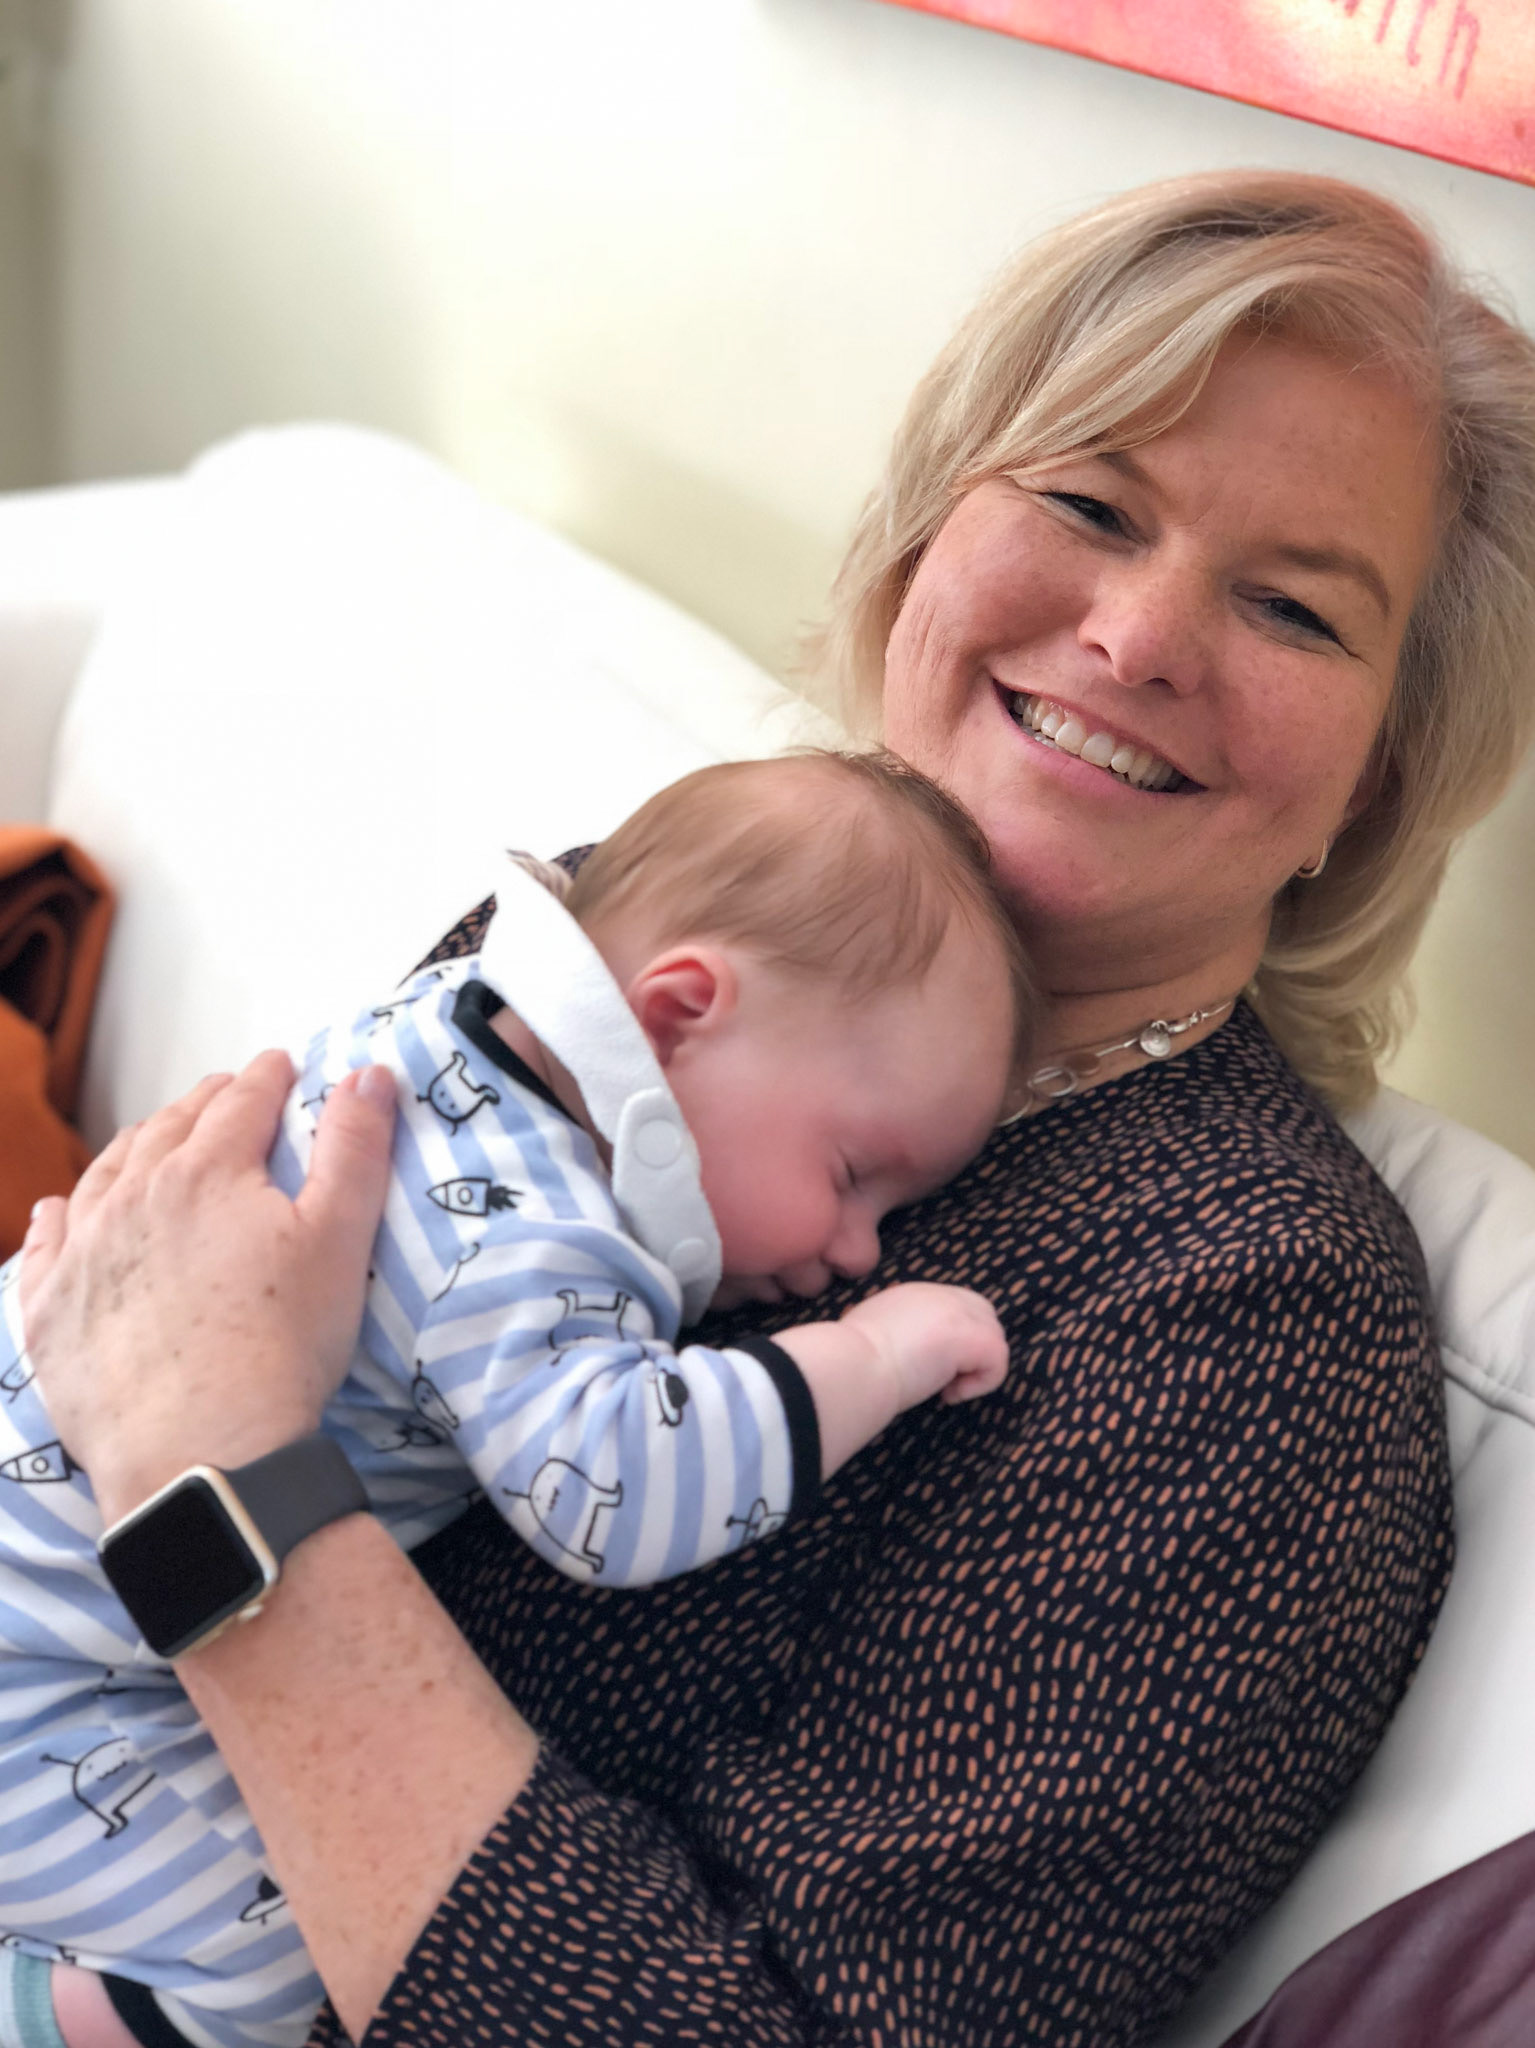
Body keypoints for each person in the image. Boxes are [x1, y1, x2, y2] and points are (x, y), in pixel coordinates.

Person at [16, 169, 1535, 2048]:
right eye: (1086, 503)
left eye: (1295, 609)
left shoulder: (1245, 1326)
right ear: (922, 548)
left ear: (1376, 783)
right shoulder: (650, 918)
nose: (1140, 636)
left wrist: (213, 1476)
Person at [0, 751, 1032, 2048]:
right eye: (852, 1173)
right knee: (275, 1966)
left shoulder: (453, 1021)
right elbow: (615, 1489)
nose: (860, 1249)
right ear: (677, 1015)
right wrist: (876, 1353)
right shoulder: (532, 1233)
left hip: (62, 1574)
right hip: (43, 1672)